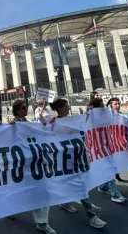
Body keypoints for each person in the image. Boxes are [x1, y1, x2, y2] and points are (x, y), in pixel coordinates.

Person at [49, 98, 107, 229]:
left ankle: (65, 202)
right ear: (58, 109)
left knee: (75, 184)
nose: (68, 108)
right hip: (64, 161)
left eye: (68, 106)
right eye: (65, 106)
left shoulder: (74, 121)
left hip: (79, 158)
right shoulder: (53, 123)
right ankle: (91, 216)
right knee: (80, 186)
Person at [9, 99, 57, 234]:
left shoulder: (27, 122)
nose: (26, 109)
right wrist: (9, 127)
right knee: (20, 191)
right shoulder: (13, 124)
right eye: (23, 107)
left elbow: (37, 132)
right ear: (17, 110)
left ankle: (42, 222)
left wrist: (48, 126)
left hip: (35, 162)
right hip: (21, 164)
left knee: (41, 190)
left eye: (26, 107)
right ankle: (10, 207)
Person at [95, 97, 126, 203]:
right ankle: (115, 194)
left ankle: (103, 186)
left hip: (114, 146)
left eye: (119, 103)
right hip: (103, 146)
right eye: (115, 104)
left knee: (113, 167)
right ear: (110, 106)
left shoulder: (120, 115)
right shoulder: (102, 116)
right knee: (110, 168)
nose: (118, 105)